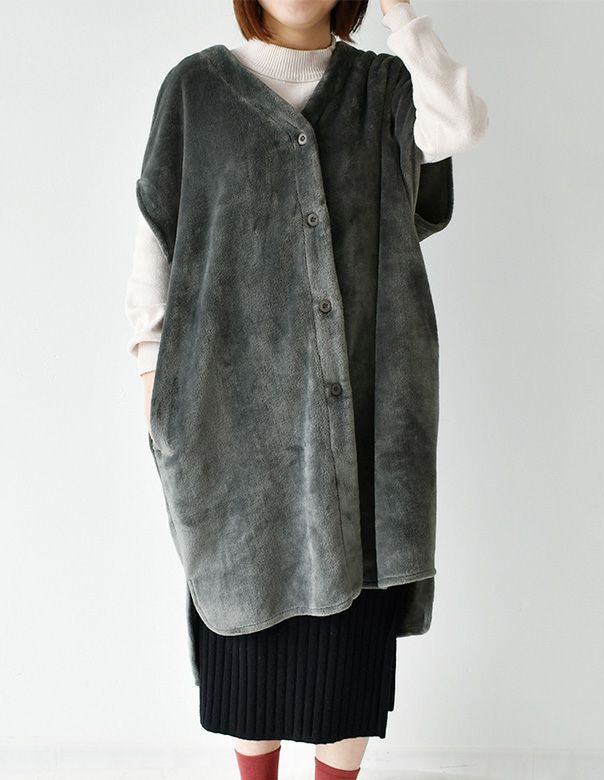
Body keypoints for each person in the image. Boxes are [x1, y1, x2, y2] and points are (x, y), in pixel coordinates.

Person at [125, 1, 488, 778]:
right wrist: (159, 397)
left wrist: (401, 13)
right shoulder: (195, 92)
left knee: (343, 687)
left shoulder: (387, 89)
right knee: (247, 678)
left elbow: (458, 126)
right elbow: (156, 245)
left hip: (362, 443)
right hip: (229, 438)